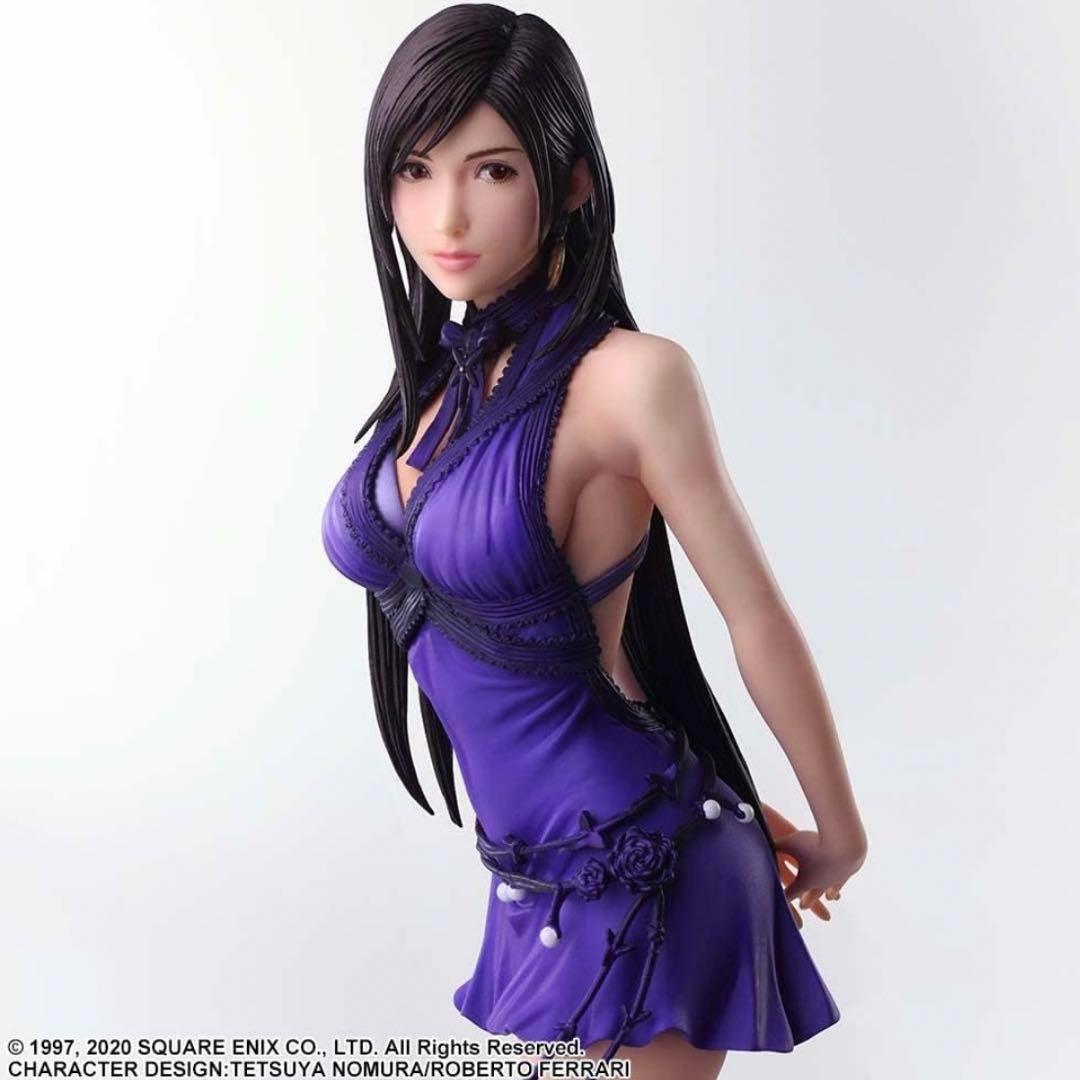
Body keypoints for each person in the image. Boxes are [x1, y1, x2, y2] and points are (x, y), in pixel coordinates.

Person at [322, 6, 867, 1077]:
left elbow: (753, 610)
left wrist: (839, 829)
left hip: (649, 865)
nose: (445, 214)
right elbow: (587, 640)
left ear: (571, 180)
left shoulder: (631, 379)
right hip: (535, 875)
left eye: (492, 170)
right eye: (415, 170)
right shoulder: (433, 389)